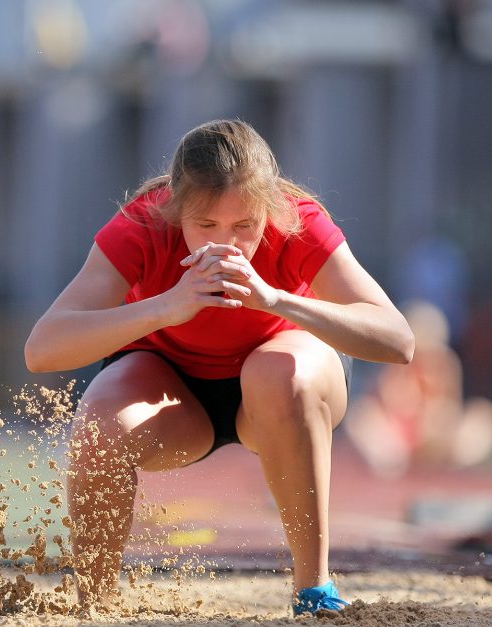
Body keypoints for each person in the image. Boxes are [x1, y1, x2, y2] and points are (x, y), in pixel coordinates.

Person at [24, 119, 415, 616]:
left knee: (279, 375)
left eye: (245, 227)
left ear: (267, 211)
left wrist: (274, 299)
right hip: (174, 392)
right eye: (206, 226)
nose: (225, 244)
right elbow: (42, 349)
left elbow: (397, 340)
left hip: (283, 388)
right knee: (99, 425)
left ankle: (314, 591)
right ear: (177, 211)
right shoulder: (144, 224)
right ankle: (95, 606)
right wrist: (170, 305)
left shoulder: (299, 222)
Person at [345, 299, 492, 478]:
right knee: (361, 416)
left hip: (435, 437)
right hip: (400, 441)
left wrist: (436, 418)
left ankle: (456, 462)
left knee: (484, 414)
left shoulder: (446, 364)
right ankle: (392, 462)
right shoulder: (396, 362)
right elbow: (386, 406)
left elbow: (451, 408)